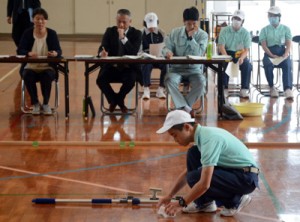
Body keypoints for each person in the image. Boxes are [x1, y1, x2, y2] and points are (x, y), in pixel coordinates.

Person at [156, 110, 259, 217]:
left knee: (195, 177)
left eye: (175, 135)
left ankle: (236, 200)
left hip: (245, 178)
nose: (175, 140)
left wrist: (181, 203)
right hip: (236, 172)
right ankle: (204, 203)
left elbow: (204, 184)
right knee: (193, 154)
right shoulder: (202, 136)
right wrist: (170, 195)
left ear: (187, 127)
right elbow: (187, 174)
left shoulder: (208, 140)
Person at [162, 7, 207, 118]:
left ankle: (182, 109)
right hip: (177, 69)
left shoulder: (203, 35)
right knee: (168, 80)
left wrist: (191, 38)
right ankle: (186, 109)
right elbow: (165, 48)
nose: (191, 26)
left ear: (197, 22)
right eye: (188, 24)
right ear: (183, 21)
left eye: (194, 24)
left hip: (194, 70)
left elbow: (200, 53)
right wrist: (167, 52)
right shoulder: (174, 33)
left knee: (201, 82)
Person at [17, 8, 62, 115]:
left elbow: (59, 50)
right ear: (33, 20)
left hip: (47, 67)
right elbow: (20, 50)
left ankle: (46, 104)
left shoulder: (52, 33)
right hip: (31, 67)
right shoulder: (28, 33)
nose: (40, 22)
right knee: (27, 75)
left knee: (46, 76)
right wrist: (28, 53)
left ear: (46, 21)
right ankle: (36, 103)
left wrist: (55, 53)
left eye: (42, 19)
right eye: (37, 19)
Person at [96, 9, 142, 114]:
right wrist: (101, 53)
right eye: (118, 21)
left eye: (124, 22)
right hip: (112, 67)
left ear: (130, 22)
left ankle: (115, 101)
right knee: (100, 79)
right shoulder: (110, 31)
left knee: (131, 80)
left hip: (128, 68)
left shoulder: (137, 33)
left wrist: (123, 38)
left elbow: (133, 52)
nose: (121, 24)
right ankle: (118, 101)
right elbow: (102, 47)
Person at [259, 6, 293, 99]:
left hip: (282, 52)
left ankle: (287, 89)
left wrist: (286, 54)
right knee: (267, 64)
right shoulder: (264, 30)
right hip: (269, 52)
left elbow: (288, 42)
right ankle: (272, 87)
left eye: (274, 16)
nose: (271, 18)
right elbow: (264, 45)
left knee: (287, 64)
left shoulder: (286, 29)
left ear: (279, 17)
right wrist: (271, 55)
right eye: (270, 16)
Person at [218, 10, 252, 98]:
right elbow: (221, 46)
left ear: (242, 21)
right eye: (234, 18)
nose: (236, 21)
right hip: (227, 52)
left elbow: (246, 49)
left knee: (247, 65)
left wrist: (242, 58)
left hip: (239, 54)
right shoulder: (224, 30)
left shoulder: (245, 33)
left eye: (238, 19)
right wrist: (226, 56)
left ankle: (244, 89)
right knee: (224, 63)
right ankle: (224, 88)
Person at [140, 12, 167, 100]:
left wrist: (164, 53)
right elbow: (139, 49)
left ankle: (161, 89)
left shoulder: (161, 32)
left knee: (167, 66)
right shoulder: (141, 33)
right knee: (145, 66)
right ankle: (146, 89)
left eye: (153, 26)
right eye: (149, 26)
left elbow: (166, 47)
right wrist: (143, 54)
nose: (151, 28)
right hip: (147, 57)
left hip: (159, 57)